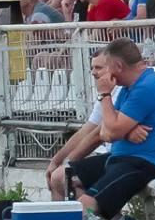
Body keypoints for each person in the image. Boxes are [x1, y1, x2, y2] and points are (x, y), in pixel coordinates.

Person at [67, 37, 155, 220]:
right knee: (66, 178)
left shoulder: (146, 87)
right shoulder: (130, 88)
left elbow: (110, 132)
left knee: (86, 204)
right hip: (122, 155)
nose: (103, 74)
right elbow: (105, 132)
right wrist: (126, 131)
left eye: (107, 68)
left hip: (143, 162)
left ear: (119, 66)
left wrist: (104, 95)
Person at [46, 48, 116, 200]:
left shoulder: (119, 91)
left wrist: (68, 162)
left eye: (98, 68)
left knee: (63, 176)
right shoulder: (105, 93)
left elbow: (99, 134)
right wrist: (55, 161)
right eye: (91, 68)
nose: (93, 72)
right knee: (56, 176)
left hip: (124, 158)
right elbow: (86, 131)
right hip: (111, 156)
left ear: (114, 68)